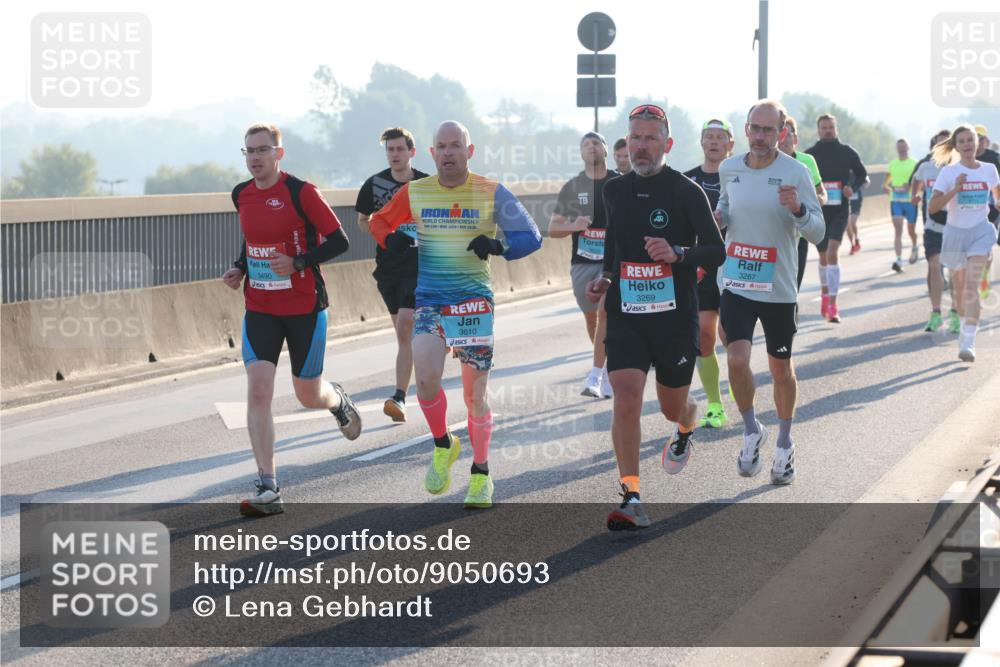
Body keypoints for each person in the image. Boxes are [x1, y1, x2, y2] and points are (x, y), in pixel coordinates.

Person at [370, 121, 542, 508]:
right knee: (425, 380)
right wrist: (391, 238)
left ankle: (481, 473)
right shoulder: (416, 191)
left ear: (469, 151)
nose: (448, 153)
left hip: (473, 304)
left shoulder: (490, 191)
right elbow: (378, 221)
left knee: (474, 396)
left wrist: (497, 246)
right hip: (430, 301)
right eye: (442, 147)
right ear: (432, 154)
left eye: (456, 146)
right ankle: (443, 444)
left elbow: (531, 236)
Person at [587, 104, 725, 530]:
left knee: (671, 408)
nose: (641, 146)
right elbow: (615, 243)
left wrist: (677, 253)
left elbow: (716, 251)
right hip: (627, 314)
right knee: (626, 399)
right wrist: (606, 277)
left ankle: (687, 422)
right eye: (635, 138)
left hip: (674, 318)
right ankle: (631, 496)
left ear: (667, 144)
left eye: (650, 138)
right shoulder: (614, 191)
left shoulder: (687, 191)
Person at [223, 122, 362, 517]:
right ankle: (269, 486)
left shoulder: (302, 193)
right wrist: (240, 267)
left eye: (262, 150)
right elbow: (253, 240)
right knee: (259, 391)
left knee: (307, 394)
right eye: (249, 151)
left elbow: (340, 241)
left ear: (278, 154)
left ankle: (336, 400)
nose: (255, 158)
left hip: (304, 308)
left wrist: (299, 262)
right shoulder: (241, 194)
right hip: (260, 308)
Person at [716, 100, 825, 486]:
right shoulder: (730, 168)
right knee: (736, 359)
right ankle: (751, 430)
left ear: (782, 132)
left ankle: (784, 442)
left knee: (781, 369)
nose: (760, 136)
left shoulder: (795, 172)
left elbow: (818, 231)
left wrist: (797, 210)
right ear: (746, 129)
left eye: (768, 130)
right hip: (737, 281)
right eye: (755, 128)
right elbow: (725, 206)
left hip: (778, 288)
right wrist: (719, 217)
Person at [356, 128, 430, 422]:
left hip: (420, 265)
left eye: (400, 149)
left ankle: (399, 396)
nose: (395, 154)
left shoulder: (426, 184)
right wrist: (385, 234)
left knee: (406, 325)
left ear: (412, 152)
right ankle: (419, 383)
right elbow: (363, 221)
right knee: (403, 334)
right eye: (390, 150)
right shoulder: (374, 185)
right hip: (389, 267)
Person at [549, 132, 617, 398]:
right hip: (583, 261)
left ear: (605, 149)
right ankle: (606, 364)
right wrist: (573, 225)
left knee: (606, 311)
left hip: (612, 261)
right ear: (580, 153)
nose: (592, 147)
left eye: (596, 143)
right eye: (586, 144)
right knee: (592, 318)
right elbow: (553, 229)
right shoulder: (573, 186)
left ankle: (600, 373)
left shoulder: (619, 183)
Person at [929, 124, 1000, 362]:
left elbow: (997, 196)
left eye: (970, 140)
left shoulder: (989, 170)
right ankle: (963, 328)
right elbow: (933, 207)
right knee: (959, 293)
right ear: (956, 147)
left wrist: (997, 203)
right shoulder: (949, 173)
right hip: (954, 235)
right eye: (962, 141)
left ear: (978, 143)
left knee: (971, 287)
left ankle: (969, 343)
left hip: (980, 231)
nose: (967, 144)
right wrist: (955, 190)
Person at [684, 119, 735, 428]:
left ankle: (739, 380)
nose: (714, 142)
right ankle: (715, 404)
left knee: (731, 337)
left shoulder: (740, 176)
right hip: (703, 265)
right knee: (704, 334)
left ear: (731, 144)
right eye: (709, 137)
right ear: (702, 142)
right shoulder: (687, 180)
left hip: (735, 264)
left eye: (720, 137)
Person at [806, 114, 868, 323]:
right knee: (823, 256)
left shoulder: (847, 152)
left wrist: (853, 187)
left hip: (841, 209)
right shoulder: (810, 155)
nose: (827, 131)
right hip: (819, 211)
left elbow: (862, 174)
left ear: (836, 129)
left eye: (830, 127)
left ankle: (833, 304)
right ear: (818, 130)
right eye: (823, 127)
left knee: (833, 252)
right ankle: (825, 294)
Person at [911, 130, 959, 333]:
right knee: (934, 265)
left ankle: (955, 313)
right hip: (933, 225)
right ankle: (936, 313)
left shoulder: (959, 168)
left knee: (954, 271)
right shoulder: (926, 167)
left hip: (955, 226)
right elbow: (916, 180)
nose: (943, 148)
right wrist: (915, 194)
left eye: (947, 144)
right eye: (940, 144)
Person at [777, 115, 827, 291]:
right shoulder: (763, 163)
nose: (783, 138)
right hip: (773, 231)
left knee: (793, 286)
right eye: (780, 133)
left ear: (795, 139)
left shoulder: (807, 161)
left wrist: (818, 201)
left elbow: (822, 192)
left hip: (800, 231)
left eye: (788, 133)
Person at [884, 139, 919, 271]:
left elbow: (920, 181)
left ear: (908, 148)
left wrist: (909, 186)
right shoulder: (893, 164)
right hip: (896, 201)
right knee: (898, 230)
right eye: (899, 147)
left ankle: (914, 245)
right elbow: (885, 183)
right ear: (897, 149)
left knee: (911, 231)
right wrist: (888, 188)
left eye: (904, 147)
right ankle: (899, 260)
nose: (902, 149)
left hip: (910, 201)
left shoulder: (914, 163)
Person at [974, 124, 1000, 298]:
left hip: (993, 208)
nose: (978, 142)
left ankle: (984, 275)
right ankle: (979, 276)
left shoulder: (994, 158)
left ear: (986, 140)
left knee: (988, 246)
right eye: (975, 138)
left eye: (981, 138)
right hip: (973, 209)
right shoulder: (966, 158)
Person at [846, 174, 866, 255]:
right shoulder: (841, 169)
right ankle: (852, 245)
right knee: (848, 226)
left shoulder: (856, 169)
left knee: (852, 223)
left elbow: (866, 180)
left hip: (856, 201)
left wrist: (864, 182)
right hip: (846, 201)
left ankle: (856, 239)